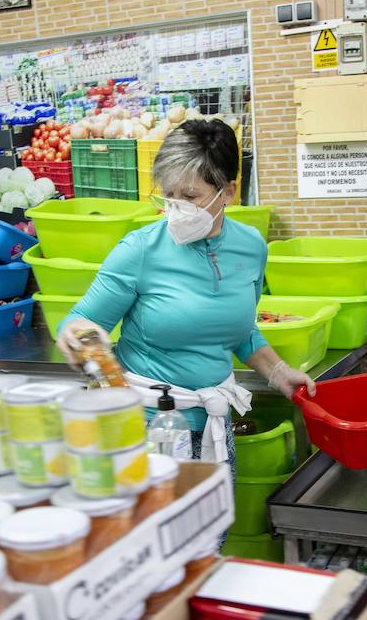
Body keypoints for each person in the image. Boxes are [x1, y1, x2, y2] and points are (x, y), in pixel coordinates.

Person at [56, 119, 313, 470]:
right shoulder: (140, 249)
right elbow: (79, 321)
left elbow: (240, 331)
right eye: (169, 195)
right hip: (144, 428)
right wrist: (77, 336)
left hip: (214, 426)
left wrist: (279, 372)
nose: (176, 207)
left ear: (228, 192)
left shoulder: (251, 246)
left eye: (190, 196)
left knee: (211, 508)